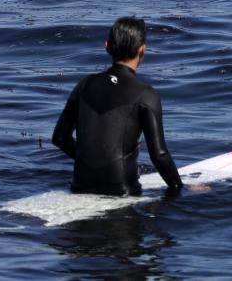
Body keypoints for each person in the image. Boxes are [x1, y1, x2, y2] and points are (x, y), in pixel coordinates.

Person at [52, 16, 183, 196]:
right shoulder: (146, 94)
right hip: (122, 191)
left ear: (107, 47)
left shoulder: (84, 85)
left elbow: (59, 138)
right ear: (142, 51)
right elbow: (159, 155)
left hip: (80, 187)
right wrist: (179, 188)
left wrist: (87, 161)